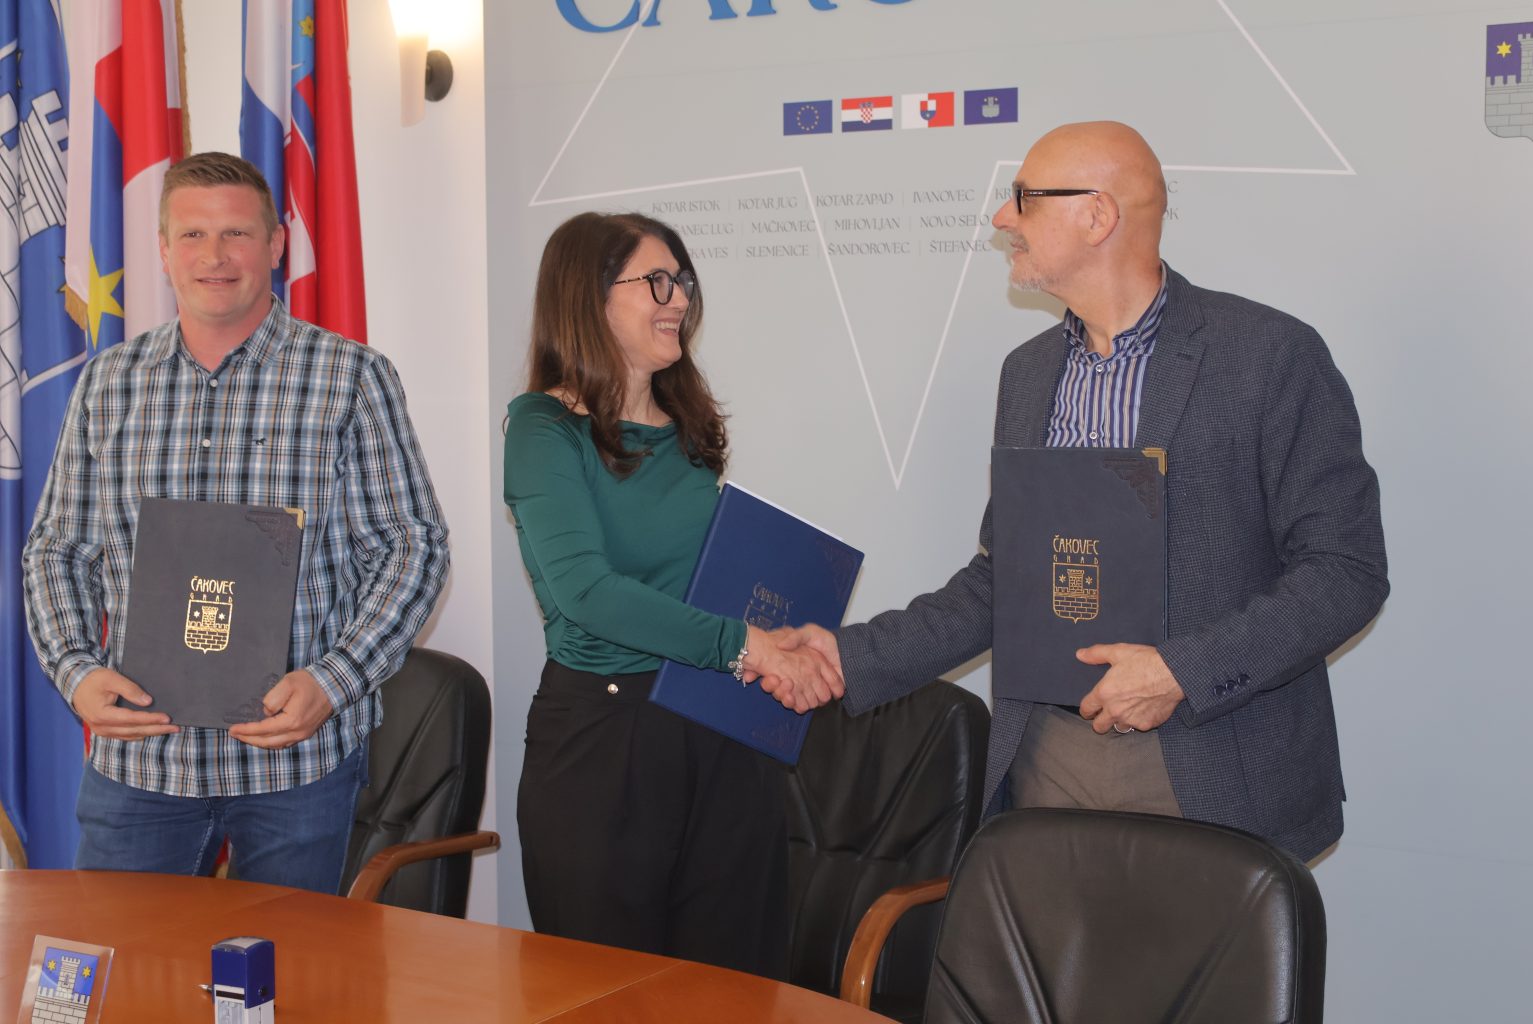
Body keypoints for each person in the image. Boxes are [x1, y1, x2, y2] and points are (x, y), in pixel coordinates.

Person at [776, 121, 1388, 862]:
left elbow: (1345, 572)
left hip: (1208, 767)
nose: (1002, 217)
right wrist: (847, 657)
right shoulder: (1028, 373)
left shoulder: (1269, 356)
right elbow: (1007, 581)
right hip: (1046, 759)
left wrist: (1179, 674)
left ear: (1097, 215)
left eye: (1023, 198)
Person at [21, 152, 449, 893]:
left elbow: (413, 549)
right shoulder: (109, 382)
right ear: (162, 250)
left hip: (296, 766)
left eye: (236, 234)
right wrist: (75, 671)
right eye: (191, 235)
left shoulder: (351, 377)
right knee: (125, 960)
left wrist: (335, 681)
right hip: (142, 765)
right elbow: (58, 549)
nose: (213, 256)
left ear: (276, 244)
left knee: (287, 965)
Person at [503, 211, 840, 978]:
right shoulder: (543, 430)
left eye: (682, 280)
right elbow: (588, 593)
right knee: (609, 994)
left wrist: (783, 643)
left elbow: (702, 587)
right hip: (605, 744)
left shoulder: (688, 427)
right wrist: (749, 645)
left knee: (733, 988)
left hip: (722, 728)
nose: (679, 298)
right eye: (655, 282)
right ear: (587, 298)